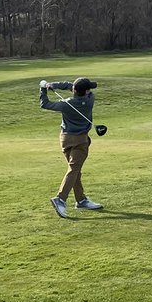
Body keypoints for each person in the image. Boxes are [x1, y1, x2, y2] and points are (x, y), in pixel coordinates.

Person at [39, 77, 103, 218]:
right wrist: (54, 85)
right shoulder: (90, 99)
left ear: (74, 90)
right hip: (80, 140)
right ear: (86, 91)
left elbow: (45, 104)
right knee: (74, 169)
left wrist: (44, 88)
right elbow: (71, 87)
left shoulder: (66, 104)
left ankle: (81, 200)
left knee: (74, 171)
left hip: (65, 138)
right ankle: (60, 199)